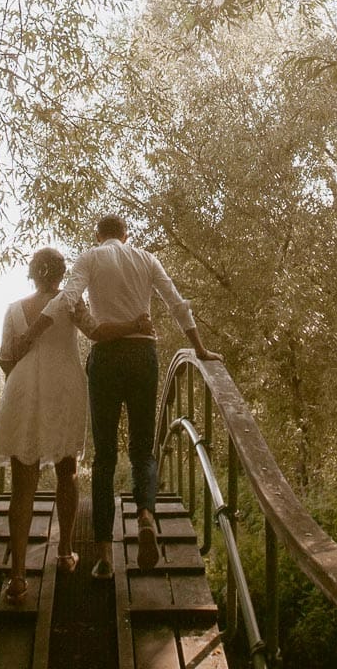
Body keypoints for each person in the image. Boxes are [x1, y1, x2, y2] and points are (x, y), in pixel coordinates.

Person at [54, 215, 220, 580]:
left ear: (98, 235)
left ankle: (104, 558)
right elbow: (177, 303)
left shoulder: (91, 256)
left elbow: (68, 299)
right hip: (144, 355)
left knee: (105, 456)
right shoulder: (146, 258)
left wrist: (93, 329)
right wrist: (200, 348)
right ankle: (145, 514)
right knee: (143, 449)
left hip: (108, 355)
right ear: (127, 235)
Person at [0, 247, 140, 605]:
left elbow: (6, 358)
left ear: (31, 274)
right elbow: (97, 332)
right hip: (64, 389)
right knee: (66, 470)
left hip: (23, 390)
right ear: (62, 273)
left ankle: (18, 576)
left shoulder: (13, 310)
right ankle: (66, 551)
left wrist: (24, 380)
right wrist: (133, 326)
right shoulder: (72, 303)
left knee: (23, 484)